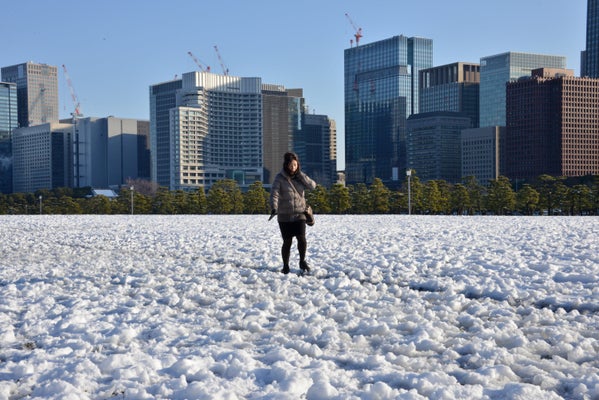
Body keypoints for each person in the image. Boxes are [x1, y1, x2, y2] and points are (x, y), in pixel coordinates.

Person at [270, 152, 317, 274]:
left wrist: (301, 175)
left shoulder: (300, 177)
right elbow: (274, 193)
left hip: (299, 213)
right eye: (291, 165)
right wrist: (274, 207)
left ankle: (302, 261)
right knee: (287, 241)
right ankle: (285, 265)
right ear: (286, 165)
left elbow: (313, 186)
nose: (293, 168)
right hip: (284, 216)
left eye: (295, 165)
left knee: (302, 238)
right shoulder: (279, 178)